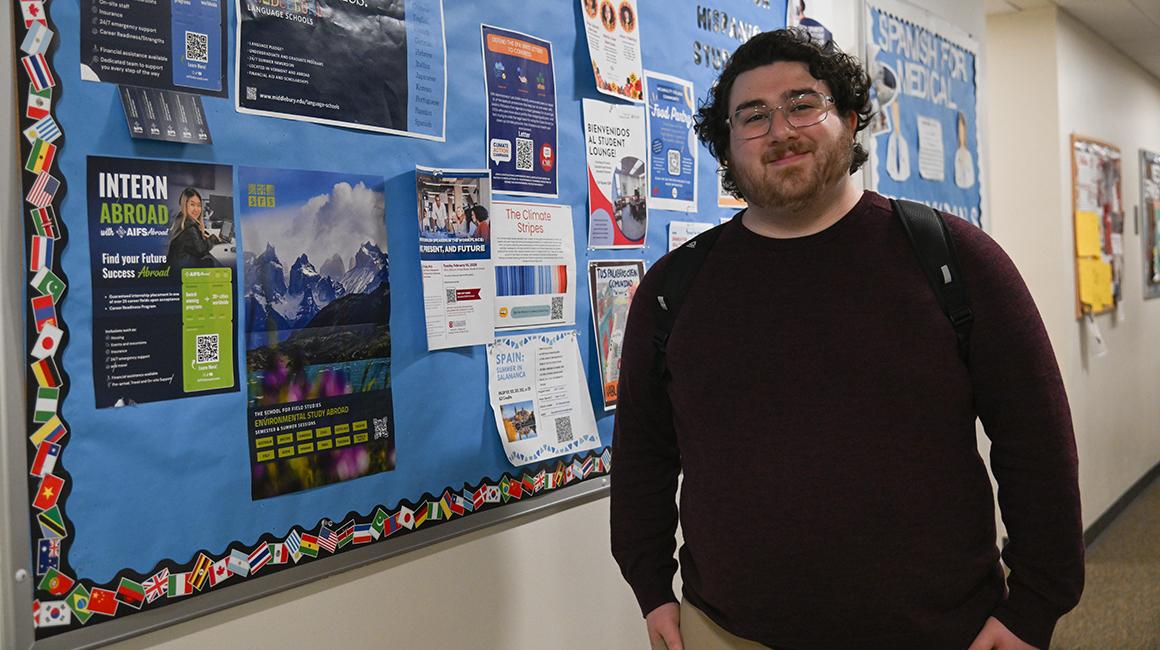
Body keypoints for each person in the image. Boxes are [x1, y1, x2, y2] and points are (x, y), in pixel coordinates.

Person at [610, 29, 1083, 650]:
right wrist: (651, 589)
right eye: (752, 117)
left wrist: (1033, 607)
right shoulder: (675, 288)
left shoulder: (953, 260)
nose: (780, 130)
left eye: (803, 104)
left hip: (940, 633)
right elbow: (643, 458)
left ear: (851, 119)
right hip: (727, 632)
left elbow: (1037, 443)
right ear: (727, 145)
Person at [166, 187, 219, 271]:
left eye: (199, 205)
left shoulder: (180, 219)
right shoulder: (189, 227)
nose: (196, 209)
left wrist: (201, 235)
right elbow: (201, 250)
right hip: (181, 272)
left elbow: (192, 243)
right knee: (211, 262)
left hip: (176, 267)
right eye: (192, 204)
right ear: (184, 205)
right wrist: (212, 239)